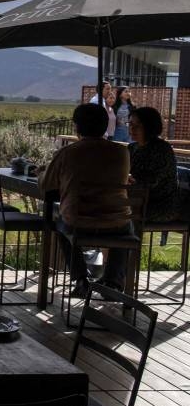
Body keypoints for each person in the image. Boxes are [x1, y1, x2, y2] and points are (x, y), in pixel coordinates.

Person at [40, 103, 132, 297]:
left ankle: (81, 278)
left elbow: (46, 185)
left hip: (79, 224)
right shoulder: (122, 152)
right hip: (115, 224)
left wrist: (40, 172)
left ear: (77, 126)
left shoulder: (68, 152)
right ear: (105, 126)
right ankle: (113, 282)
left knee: (60, 224)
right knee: (126, 227)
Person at [128, 106, 179, 223]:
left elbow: (150, 182)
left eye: (138, 125)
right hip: (137, 200)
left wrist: (129, 179)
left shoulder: (162, 149)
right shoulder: (132, 148)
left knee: (117, 211)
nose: (132, 128)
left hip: (160, 205)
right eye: (130, 124)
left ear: (149, 126)